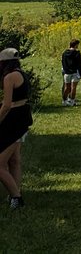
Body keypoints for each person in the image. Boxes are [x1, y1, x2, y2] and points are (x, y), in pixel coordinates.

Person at [0, 48, 31, 208]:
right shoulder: (21, 74)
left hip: (13, 120)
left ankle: (16, 198)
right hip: (23, 117)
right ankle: (15, 192)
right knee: (15, 160)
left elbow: (6, 105)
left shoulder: (9, 77)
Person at [62, 39, 81, 106]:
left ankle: (64, 101)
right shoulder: (77, 53)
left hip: (67, 72)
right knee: (73, 87)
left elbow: (63, 62)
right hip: (74, 72)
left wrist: (65, 70)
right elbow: (79, 64)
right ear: (76, 45)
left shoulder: (65, 53)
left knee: (66, 88)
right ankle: (72, 101)